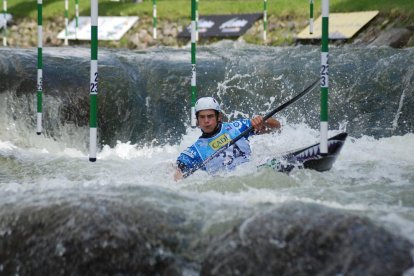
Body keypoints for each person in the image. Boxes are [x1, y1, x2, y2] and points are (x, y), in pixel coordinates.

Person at [174, 97, 281, 181]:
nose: (206, 121)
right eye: (202, 117)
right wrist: (177, 174)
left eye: (210, 116)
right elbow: (176, 172)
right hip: (229, 183)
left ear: (219, 117)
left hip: (252, 172)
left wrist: (263, 121)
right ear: (197, 121)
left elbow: (276, 127)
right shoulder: (195, 151)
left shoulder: (237, 127)